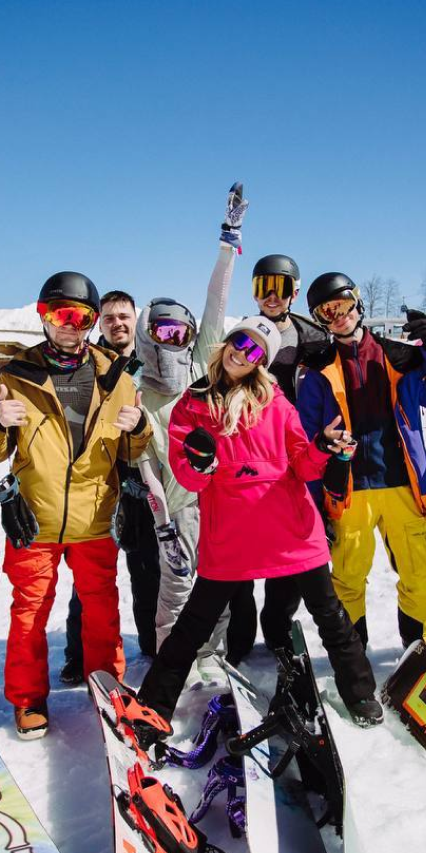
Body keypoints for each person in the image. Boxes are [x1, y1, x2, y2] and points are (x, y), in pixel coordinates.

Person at [138, 316, 381, 730]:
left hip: (292, 531)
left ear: (260, 363)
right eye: (239, 341)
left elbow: (304, 467)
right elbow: (189, 479)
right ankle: (154, 707)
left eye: (254, 351)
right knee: (193, 626)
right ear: (226, 342)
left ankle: (360, 694)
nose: (241, 353)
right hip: (231, 536)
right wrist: (201, 463)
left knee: (330, 616)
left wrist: (322, 447)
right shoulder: (192, 405)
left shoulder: (277, 403)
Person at [0, 271, 153, 738]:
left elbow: (131, 449)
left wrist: (139, 428)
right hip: (36, 519)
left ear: (91, 322)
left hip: (94, 516)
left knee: (102, 611)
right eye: (60, 316)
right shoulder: (15, 375)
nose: (70, 327)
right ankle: (28, 698)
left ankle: (108, 689)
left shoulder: (115, 375)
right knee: (29, 613)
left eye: (80, 318)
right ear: (44, 318)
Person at [297, 273, 426, 653]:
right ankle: (352, 650)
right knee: (348, 575)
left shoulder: (399, 356)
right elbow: (307, 439)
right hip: (347, 488)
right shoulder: (317, 369)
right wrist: (314, 504)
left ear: (358, 302)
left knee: (421, 568)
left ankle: (420, 643)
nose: (338, 316)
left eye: (343, 304)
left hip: (401, 482)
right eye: (326, 311)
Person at [133, 189, 244, 670]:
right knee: (176, 589)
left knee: (216, 588)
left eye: (181, 332)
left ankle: (211, 664)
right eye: (163, 332)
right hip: (175, 509)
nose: (173, 340)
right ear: (148, 335)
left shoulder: (202, 367)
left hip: (216, 501)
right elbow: (144, 462)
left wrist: (228, 243)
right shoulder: (138, 390)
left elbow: (216, 302)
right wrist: (162, 527)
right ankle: (170, 668)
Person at [226, 253, 333, 662]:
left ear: (295, 292)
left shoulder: (314, 338)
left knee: (291, 547)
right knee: (240, 547)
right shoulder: (242, 335)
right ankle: (240, 631)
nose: (271, 296)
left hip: (300, 453)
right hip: (251, 455)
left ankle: (277, 625)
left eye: (281, 288)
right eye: (262, 287)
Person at [59, 289, 161, 684]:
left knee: (148, 569)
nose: (117, 323)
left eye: (123, 316)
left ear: (135, 319)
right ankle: (79, 654)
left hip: (142, 475)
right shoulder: (88, 362)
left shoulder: (152, 359)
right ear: (99, 322)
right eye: (109, 318)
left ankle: (152, 645)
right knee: (90, 578)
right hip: (99, 479)